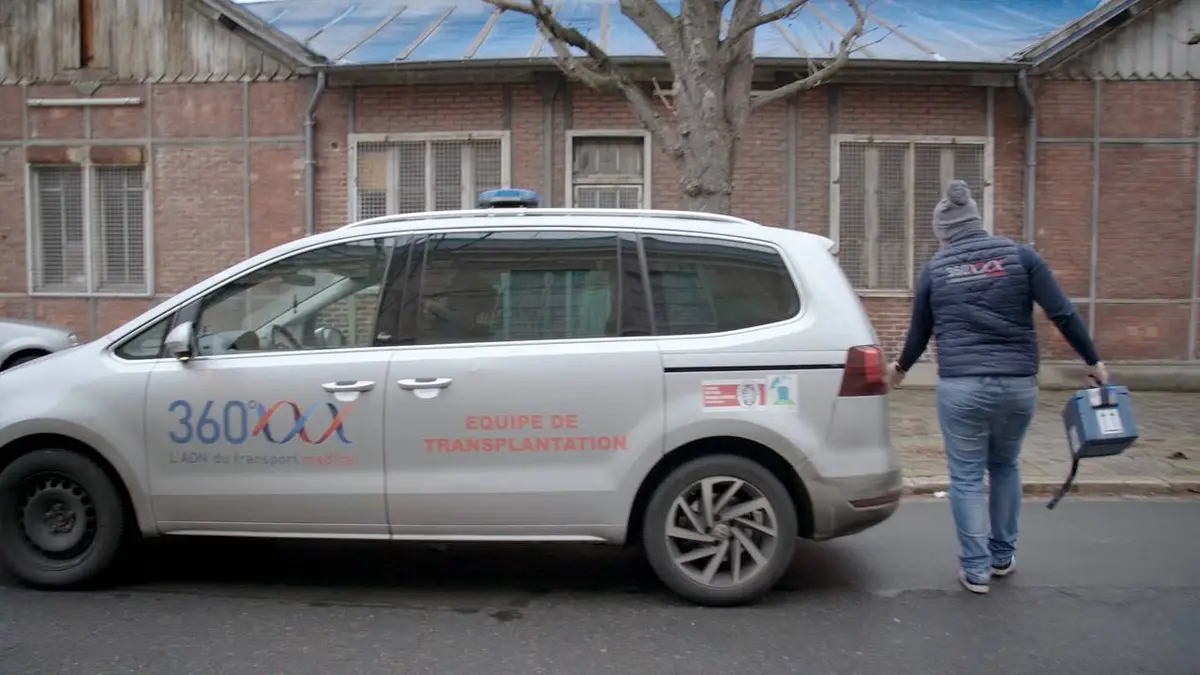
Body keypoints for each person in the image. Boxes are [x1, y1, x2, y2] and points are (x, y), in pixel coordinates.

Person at [889, 179, 1108, 595]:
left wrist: (899, 371)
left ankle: (976, 570)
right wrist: (1093, 360)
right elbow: (1062, 313)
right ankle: (1002, 556)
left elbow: (920, 331)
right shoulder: (1021, 256)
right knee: (1005, 465)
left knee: (967, 477)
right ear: (977, 222)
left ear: (943, 232)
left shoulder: (935, 269)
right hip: (1017, 385)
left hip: (961, 388)